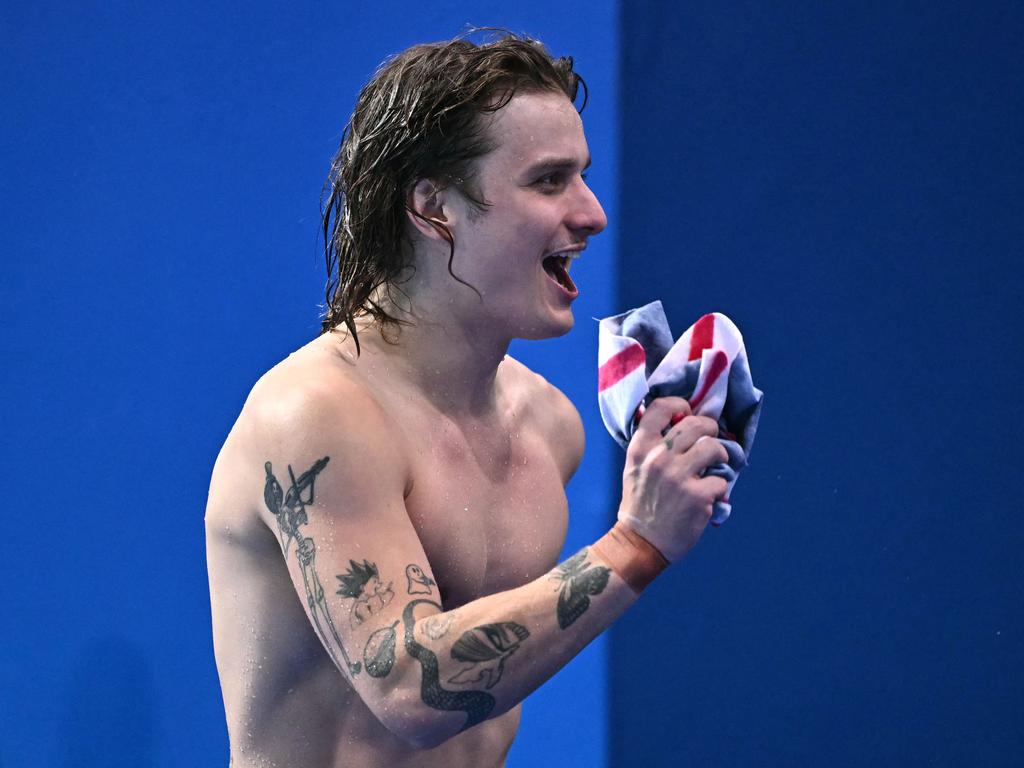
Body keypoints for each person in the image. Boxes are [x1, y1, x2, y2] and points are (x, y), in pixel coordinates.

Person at [205, 32, 729, 768]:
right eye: (549, 181)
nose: (592, 213)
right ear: (435, 207)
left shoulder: (550, 427)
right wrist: (637, 543)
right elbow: (411, 689)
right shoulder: (317, 416)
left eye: (583, 176)